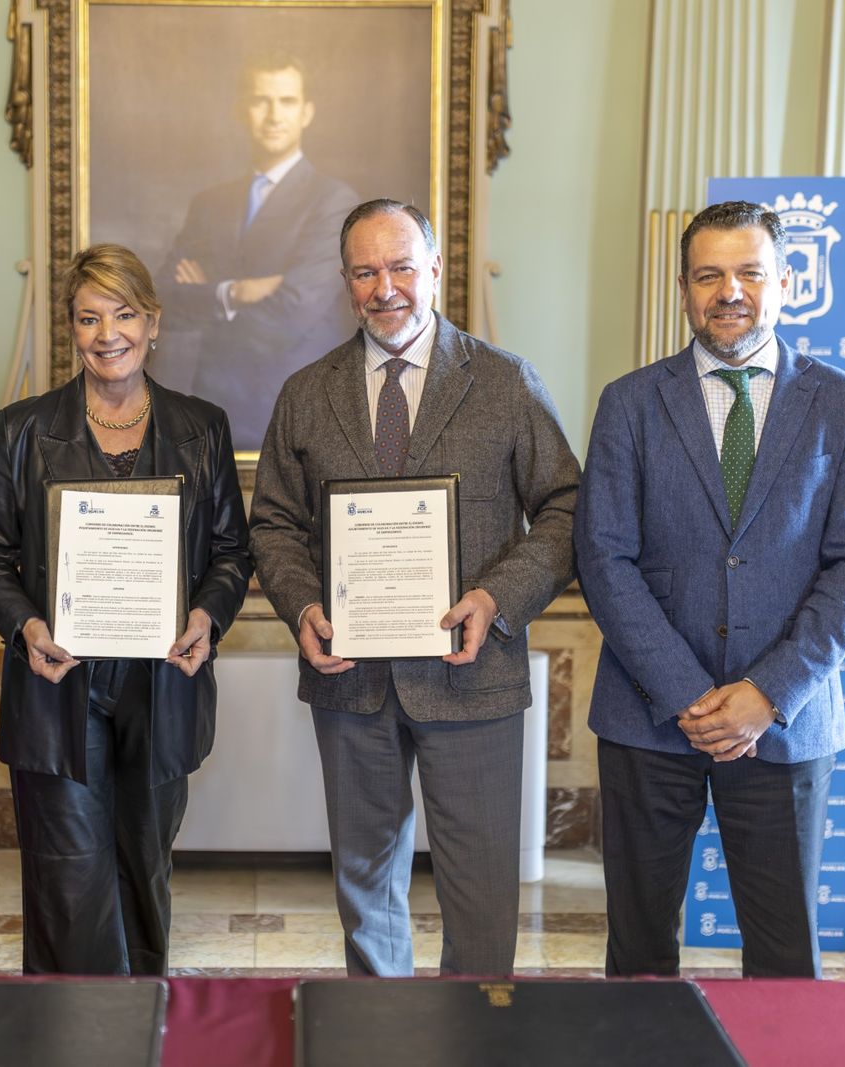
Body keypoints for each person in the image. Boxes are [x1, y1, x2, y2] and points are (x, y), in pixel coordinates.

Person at [250, 200, 580, 977]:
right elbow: (273, 524)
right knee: (365, 892)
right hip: (351, 679)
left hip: (473, 674)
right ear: (346, 281)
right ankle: (378, 1030)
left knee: (481, 891)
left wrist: (497, 598)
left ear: (434, 269)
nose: (385, 287)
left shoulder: (505, 381)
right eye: (365, 271)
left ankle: (478, 1032)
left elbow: (566, 509)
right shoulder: (306, 392)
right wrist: (303, 606)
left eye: (401, 266)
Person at [575, 201, 845, 978]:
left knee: (785, 958)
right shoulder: (630, 403)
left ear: (786, 282)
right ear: (683, 288)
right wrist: (689, 694)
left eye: (750, 272)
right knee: (639, 956)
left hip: (785, 723)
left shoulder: (844, 403)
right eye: (709, 275)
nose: (730, 292)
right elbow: (603, 557)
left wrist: (767, 693)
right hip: (650, 719)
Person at [0, 243, 252, 975]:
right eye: (89, 318)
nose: (107, 333)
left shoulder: (202, 428)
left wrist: (206, 617)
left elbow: (231, 552)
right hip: (59, 684)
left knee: (143, 869)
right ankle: (77, 1024)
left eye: (123, 314)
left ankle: (141, 1011)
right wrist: (28, 626)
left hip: (162, 684)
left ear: (153, 322)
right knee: (68, 875)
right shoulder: (22, 430)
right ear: (71, 328)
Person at [156, 50, 359, 449]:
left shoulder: (334, 202)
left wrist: (208, 295)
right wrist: (235, 291)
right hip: (212, 410)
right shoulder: (209, 204)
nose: (274, 115)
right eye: (261, 100)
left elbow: (294, 312)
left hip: (293, 410)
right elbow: (164, 297)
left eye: (287, 101)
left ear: (307, 112)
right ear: (240, 109)